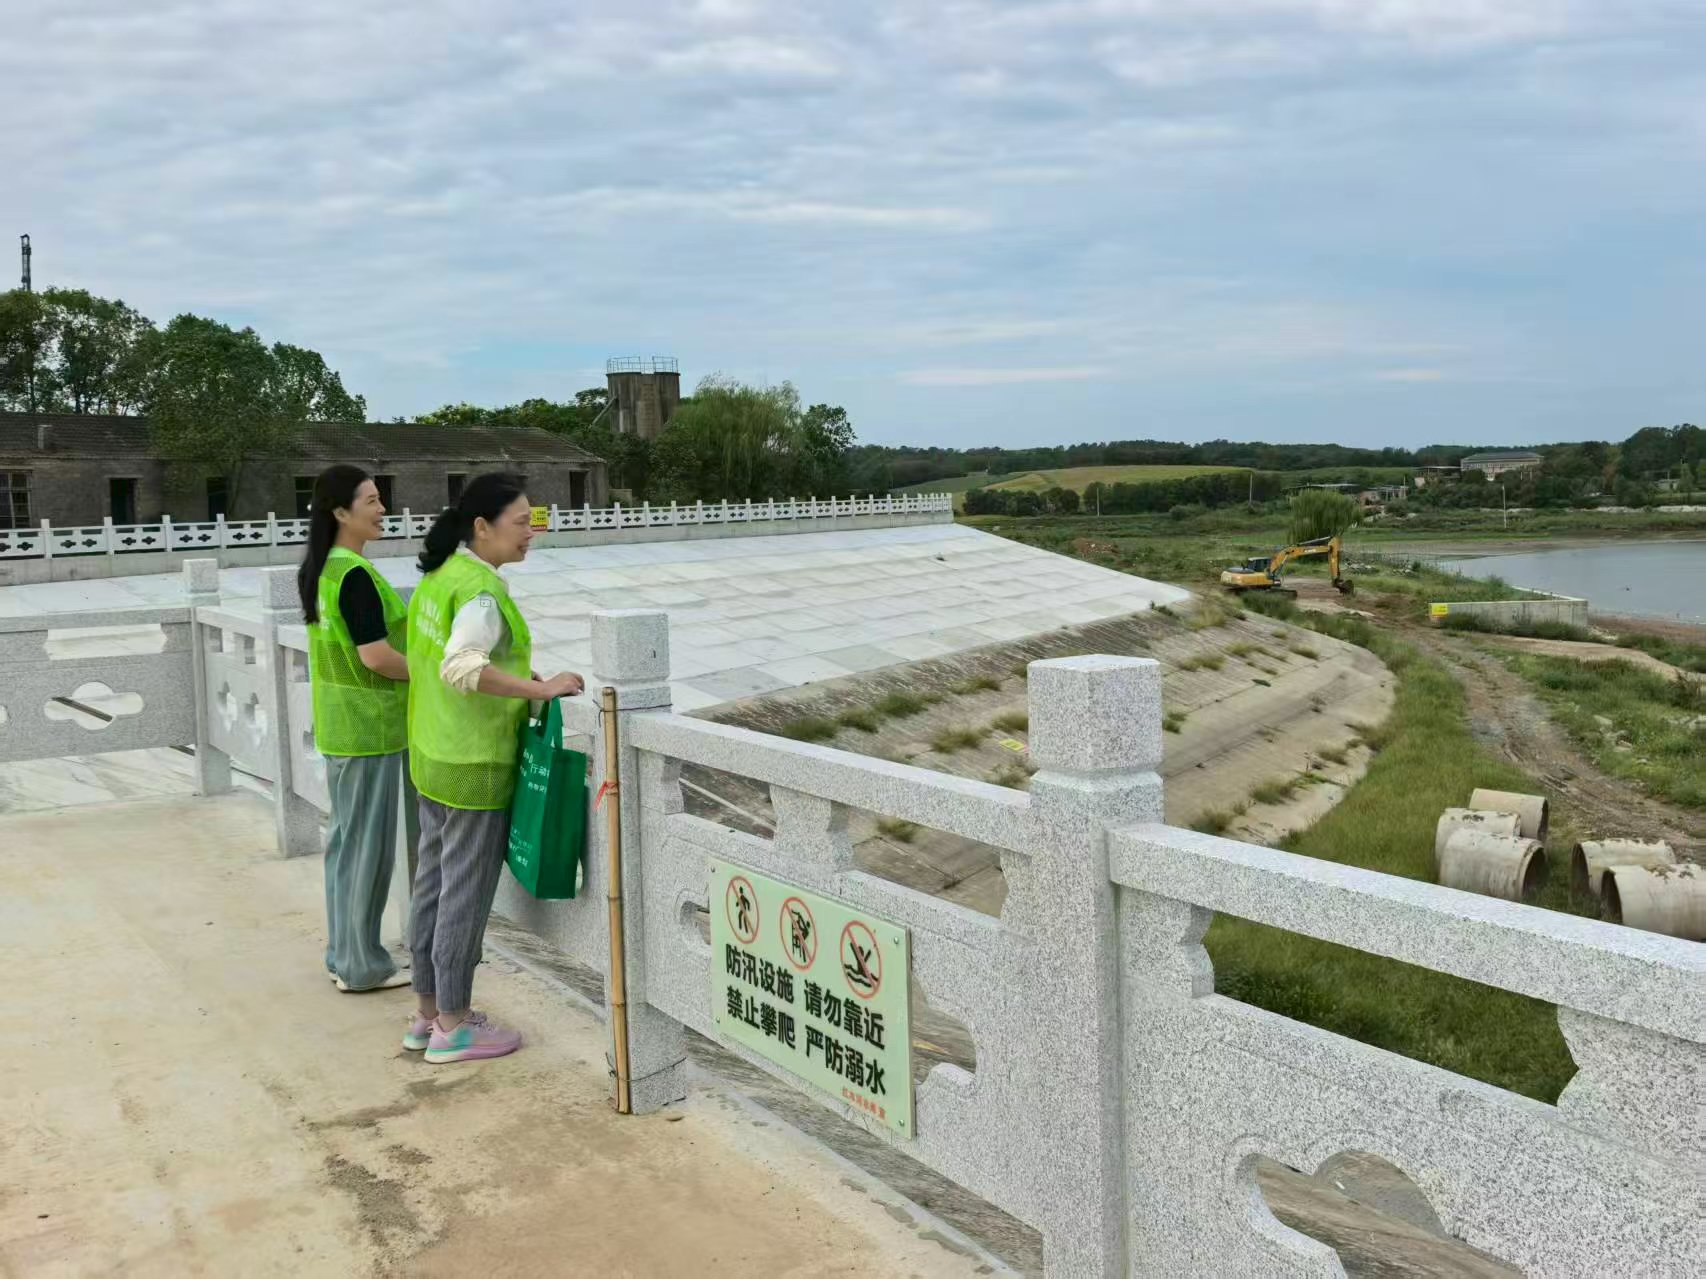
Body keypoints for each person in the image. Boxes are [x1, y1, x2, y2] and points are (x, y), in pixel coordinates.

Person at [403, 472, 584, 1064]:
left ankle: (427, 1015)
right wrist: (543, 688)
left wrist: (515, 678)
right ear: (482, 527)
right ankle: (455, 1026)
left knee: (432, 885)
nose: (531, 532)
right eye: (521, 522)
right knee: (463, 895)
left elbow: (437, 656)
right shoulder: (482, 591)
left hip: (431, 753)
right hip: (473, 765)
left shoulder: (440, 577)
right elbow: (461, 665)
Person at [297, 464, 414, 993]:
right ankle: (361, 966)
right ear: (341, 512)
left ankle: (342, 954)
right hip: (370, 727)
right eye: (371, 500)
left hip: (341, 724)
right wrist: (437, 673)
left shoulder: (323, 570)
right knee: (368, 850)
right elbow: (377, 656)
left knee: (346, 847)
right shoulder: (356, 576)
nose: (382, 508)